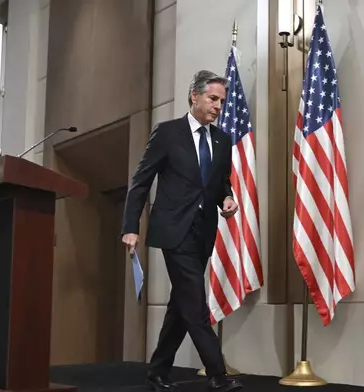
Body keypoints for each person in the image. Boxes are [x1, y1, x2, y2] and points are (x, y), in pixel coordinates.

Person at [121, 70, 242, 392]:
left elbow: (220, 182)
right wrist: (130, 227)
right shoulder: (167, 133)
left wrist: (227, 199)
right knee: (195, 302)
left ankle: (157, 371)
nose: (218, 106)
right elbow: (141, 182)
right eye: (213, 99)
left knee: (181, 304)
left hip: (204, 232)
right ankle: (218, 372)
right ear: (194, 96)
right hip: (174, 230)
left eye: (221, 101)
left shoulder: (222, 139)